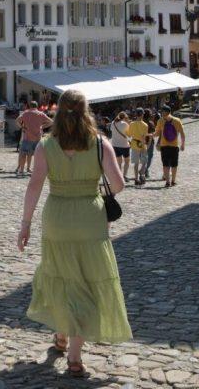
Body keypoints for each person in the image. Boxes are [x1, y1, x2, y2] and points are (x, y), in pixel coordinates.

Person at [17, 88, 132, 379]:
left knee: (62, 276)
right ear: (86, 112)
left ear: (57, 111)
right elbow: (117, 185)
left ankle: (60, 334)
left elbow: (34, 187)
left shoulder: (46, 145)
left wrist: (26, 224)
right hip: (89, 219)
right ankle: (75, 358)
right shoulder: (99, 144)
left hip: (56, 216)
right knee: (87, 282)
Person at [15, 101, 51, 177]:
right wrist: (42, 127)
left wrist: (22, 127)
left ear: (29, 106)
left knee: (23, 154)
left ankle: (21, 170)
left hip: (27, 137)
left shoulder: (25, 113)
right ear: (37, 106)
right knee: (37, 155)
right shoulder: (41, 114)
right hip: (38, 138)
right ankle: (36, 170)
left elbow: (17, 121)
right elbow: (51, 122)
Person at [157, 106, 185, 187]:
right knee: (174, 164)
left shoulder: (160, 121)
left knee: (165, 164)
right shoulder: (177, 120)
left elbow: (157, 133)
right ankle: (173, 181)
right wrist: (183, 144)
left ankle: (167, 182)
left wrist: (150, 135)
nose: (161, 113)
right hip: (174, 146)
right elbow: (182, 133)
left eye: (162, 112)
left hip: (164, 146)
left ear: (164, 112)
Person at [125, 112, 150, 186]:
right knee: (145, 160)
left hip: (134, 144)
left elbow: (129, 134)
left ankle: (136, 179)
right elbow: (144, 136)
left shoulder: (132, 124)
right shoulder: (145, 125)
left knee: (136, 163)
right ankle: (142, 173)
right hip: (142, 144)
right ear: (142, 115)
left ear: (136, 115)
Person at [109, 112, 131, 180]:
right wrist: (128, 123)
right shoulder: (124, 124)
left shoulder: (113, 123)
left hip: (115, 145)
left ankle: (119, 176)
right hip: (124, 145)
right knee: (127, 161)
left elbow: (111, 130)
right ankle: (124, 175)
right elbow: (129, 134)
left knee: (119, 162)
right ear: (124, 118)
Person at [143, 110, 158, 179]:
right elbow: (152, 135)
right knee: (149, 157)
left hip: (141, 142)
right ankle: (145, 170)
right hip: (149, 143)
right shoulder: (151, 123)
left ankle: (144, 169)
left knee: (143, 157)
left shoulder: (140, 122)